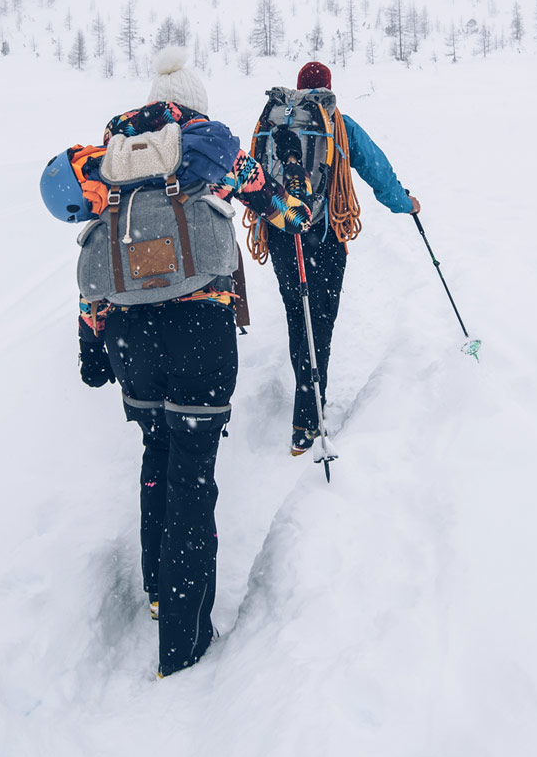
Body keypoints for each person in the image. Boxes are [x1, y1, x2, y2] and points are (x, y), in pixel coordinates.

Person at [47, 47, 309, 677]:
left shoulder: (110, 159)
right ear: (195, 106)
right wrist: (291, 214)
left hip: (131, 336)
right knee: (194, 474)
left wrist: (93, 339)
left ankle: (159, 591)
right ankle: (184, 643)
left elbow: (96, 255)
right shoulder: (209, 145)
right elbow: (261, 193)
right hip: (198, 328)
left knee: (156, 453)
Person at [246, 61, 419, 456]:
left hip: (282, 231)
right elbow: (377, 170)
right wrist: (404, 203)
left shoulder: (272, 123)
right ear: (327, 89)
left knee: (297, 314)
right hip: (325, 234)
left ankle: (305, 407)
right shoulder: (338, 124)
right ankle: (309, 415)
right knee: (320, 318)